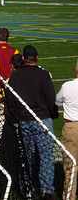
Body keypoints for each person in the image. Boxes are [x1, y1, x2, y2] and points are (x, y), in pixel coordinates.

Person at [7, 45, 57, 198]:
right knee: (46, 156)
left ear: (23, 59)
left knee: (26, 157)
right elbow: (51, 98)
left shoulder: (15, 76)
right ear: (37, 57)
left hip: (24, 119)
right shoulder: (43, 75)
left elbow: (10, 100)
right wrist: (52, 114)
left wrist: (17, 115)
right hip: (42, 119)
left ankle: (26, 188)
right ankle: (46, 189)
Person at [56, 58, 78, 200]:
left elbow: (56, 101)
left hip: (71, 127)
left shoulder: (67, 86)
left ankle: (69, 197)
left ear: (76, 70)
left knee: (70, 167)